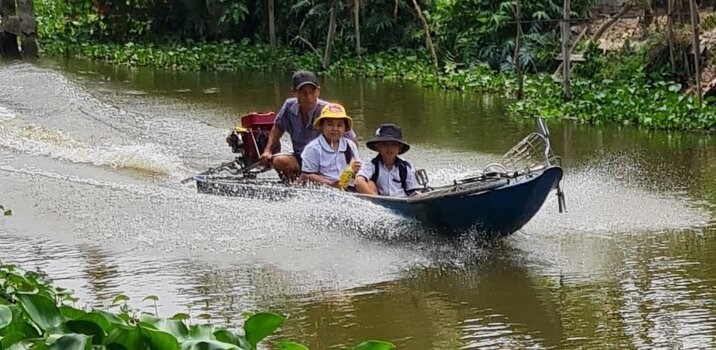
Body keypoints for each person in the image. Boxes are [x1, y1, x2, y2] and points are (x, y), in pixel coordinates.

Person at [259, 70, 356, 181]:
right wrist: (268, 150)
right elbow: (278, 127)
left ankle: (318, 180)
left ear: (318, 91)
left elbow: (351, 139)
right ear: (295, 93)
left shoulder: (329, 110)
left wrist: (350, 166)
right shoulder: (289, 107)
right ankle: (293, 186)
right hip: (301, 158)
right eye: (303, 93)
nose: (308, 97)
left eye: (312, 92)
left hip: (326, 162)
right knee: (279, 161)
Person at [301, 103, 361, 189]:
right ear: (322, 126)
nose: (335, 129)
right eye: (330, 124)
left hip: (348, 186)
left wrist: (355, 171)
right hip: (324, 188)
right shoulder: (313, 148)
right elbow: (307, 175)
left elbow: (357, 170)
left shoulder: (350, 145)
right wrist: (331, 185)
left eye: (339, 125)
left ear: (344, 128)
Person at [355, 124, 420, 197]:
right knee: (370, 183)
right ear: (378, 147)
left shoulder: (405, 166)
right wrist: (377, 200)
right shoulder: (371, 164)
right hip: (379, 201)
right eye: (385, 144)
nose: (389, 148)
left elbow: (413, 191)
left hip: (403, 201)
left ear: (399, 148)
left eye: (394, 144)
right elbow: (358, 181)